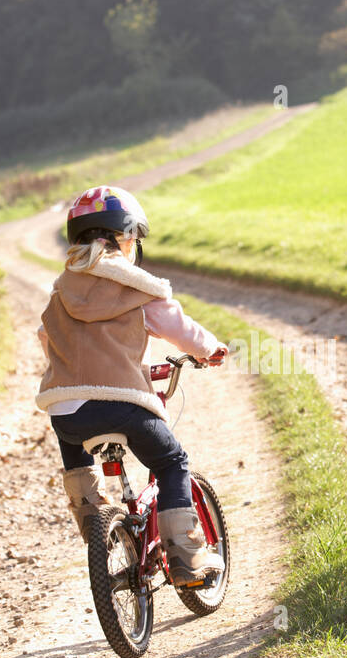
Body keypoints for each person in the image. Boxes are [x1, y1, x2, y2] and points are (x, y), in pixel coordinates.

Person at [35, 184, 227, 586]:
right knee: (171, 462)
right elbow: (180, 330)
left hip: (66, 410)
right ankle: (188, 562)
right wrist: (210, 349)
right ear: (125, 238)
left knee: (77, 456)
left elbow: (45, 337)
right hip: (120, 401)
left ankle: (97, 529)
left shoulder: (61, 290)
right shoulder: (136, 287)